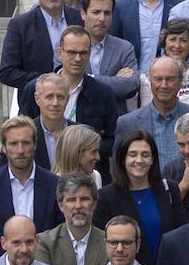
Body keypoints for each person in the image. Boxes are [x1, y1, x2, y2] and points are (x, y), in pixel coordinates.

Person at [18, 28, 119, 167]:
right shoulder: (34, 88)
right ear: (60, 52)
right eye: (72, 52)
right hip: (41, 173)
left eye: (83, 53)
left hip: (84, 174)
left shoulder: (102, 93)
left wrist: (84, 149)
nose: (78, 58)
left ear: (89, 54)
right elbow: (21, 131)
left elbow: (113, 139)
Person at [0, 117, 60, 265]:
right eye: (13, 143)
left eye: (26, 143)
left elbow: (59, 240)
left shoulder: (54, 185)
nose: (20, 150)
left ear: (35, 145)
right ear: (4, 147)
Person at [95, 131, 186, 265]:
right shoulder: (106, 196)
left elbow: (180, 234)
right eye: (132, 155)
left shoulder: (170, 189)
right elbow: (102, 244)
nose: (139, 160)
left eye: (145, 155)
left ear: (152, 159)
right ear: (122, 159)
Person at [114, 57, 189, 180]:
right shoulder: (127, 123)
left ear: (181, 82)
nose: (164, 85)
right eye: (158, 79)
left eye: (170, 79)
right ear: (149, 81)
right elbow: (118, 169)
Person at [0, 0, 82, 90]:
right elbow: (7, 73)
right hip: (37, 101)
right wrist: (50, 81)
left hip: (78, 95)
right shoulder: (20, 25)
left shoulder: (79, 18)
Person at [81, 0, 140, 104]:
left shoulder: (124, 48)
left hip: (114, 117)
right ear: (83, 14)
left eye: (107, 13)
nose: (102, 18)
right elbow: (66, 81)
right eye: (96, 12)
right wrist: (114, 81)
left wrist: (87, 78)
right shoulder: (69, 44)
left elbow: (130, 86)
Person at [139, 18, 189, 106]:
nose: (177, 45)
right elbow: (146, 112)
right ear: (164, 44)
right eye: (172, 39)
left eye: (183, 40)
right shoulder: (148, 78)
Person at [20, 71, 70, 171]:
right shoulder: (22, 134)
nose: (55, 103)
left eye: (60, 97)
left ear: (68, 99)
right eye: (49, 97)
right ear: (37, 99)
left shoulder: (81, 133)